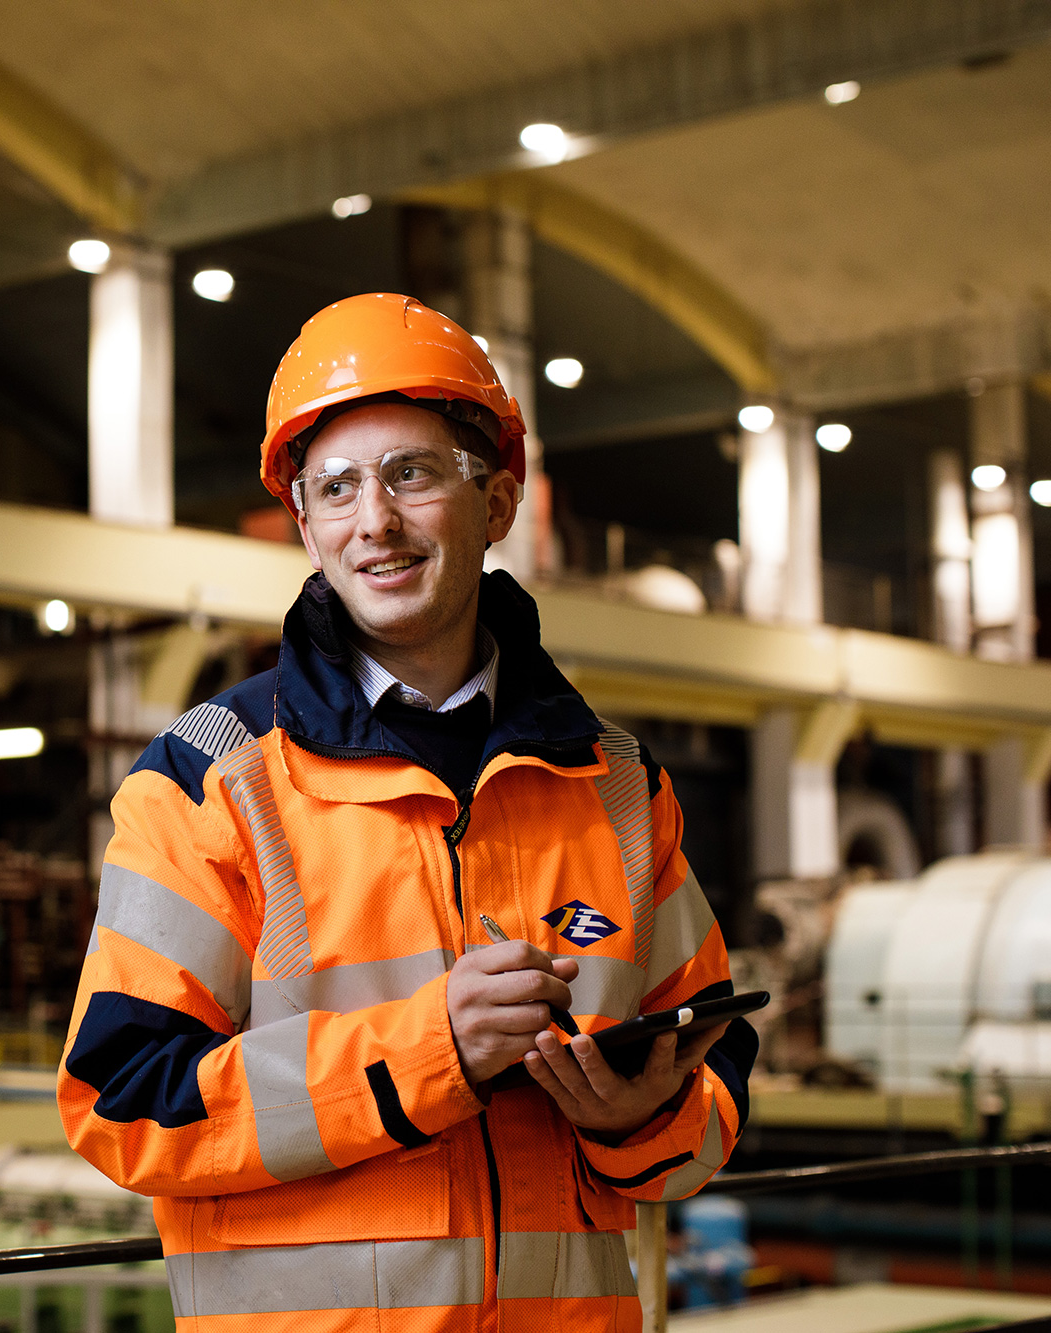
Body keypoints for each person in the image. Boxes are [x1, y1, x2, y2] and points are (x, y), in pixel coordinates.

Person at [58, 293, 757, 1330]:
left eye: (411, 475)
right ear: (302, 524)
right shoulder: (210, 780)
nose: (371, 522)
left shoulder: (614, 784)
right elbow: (123, 1103)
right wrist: (430, 1049)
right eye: (333, 488)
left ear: (499, 501)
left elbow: (714, 1086)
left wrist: (642, 1115)